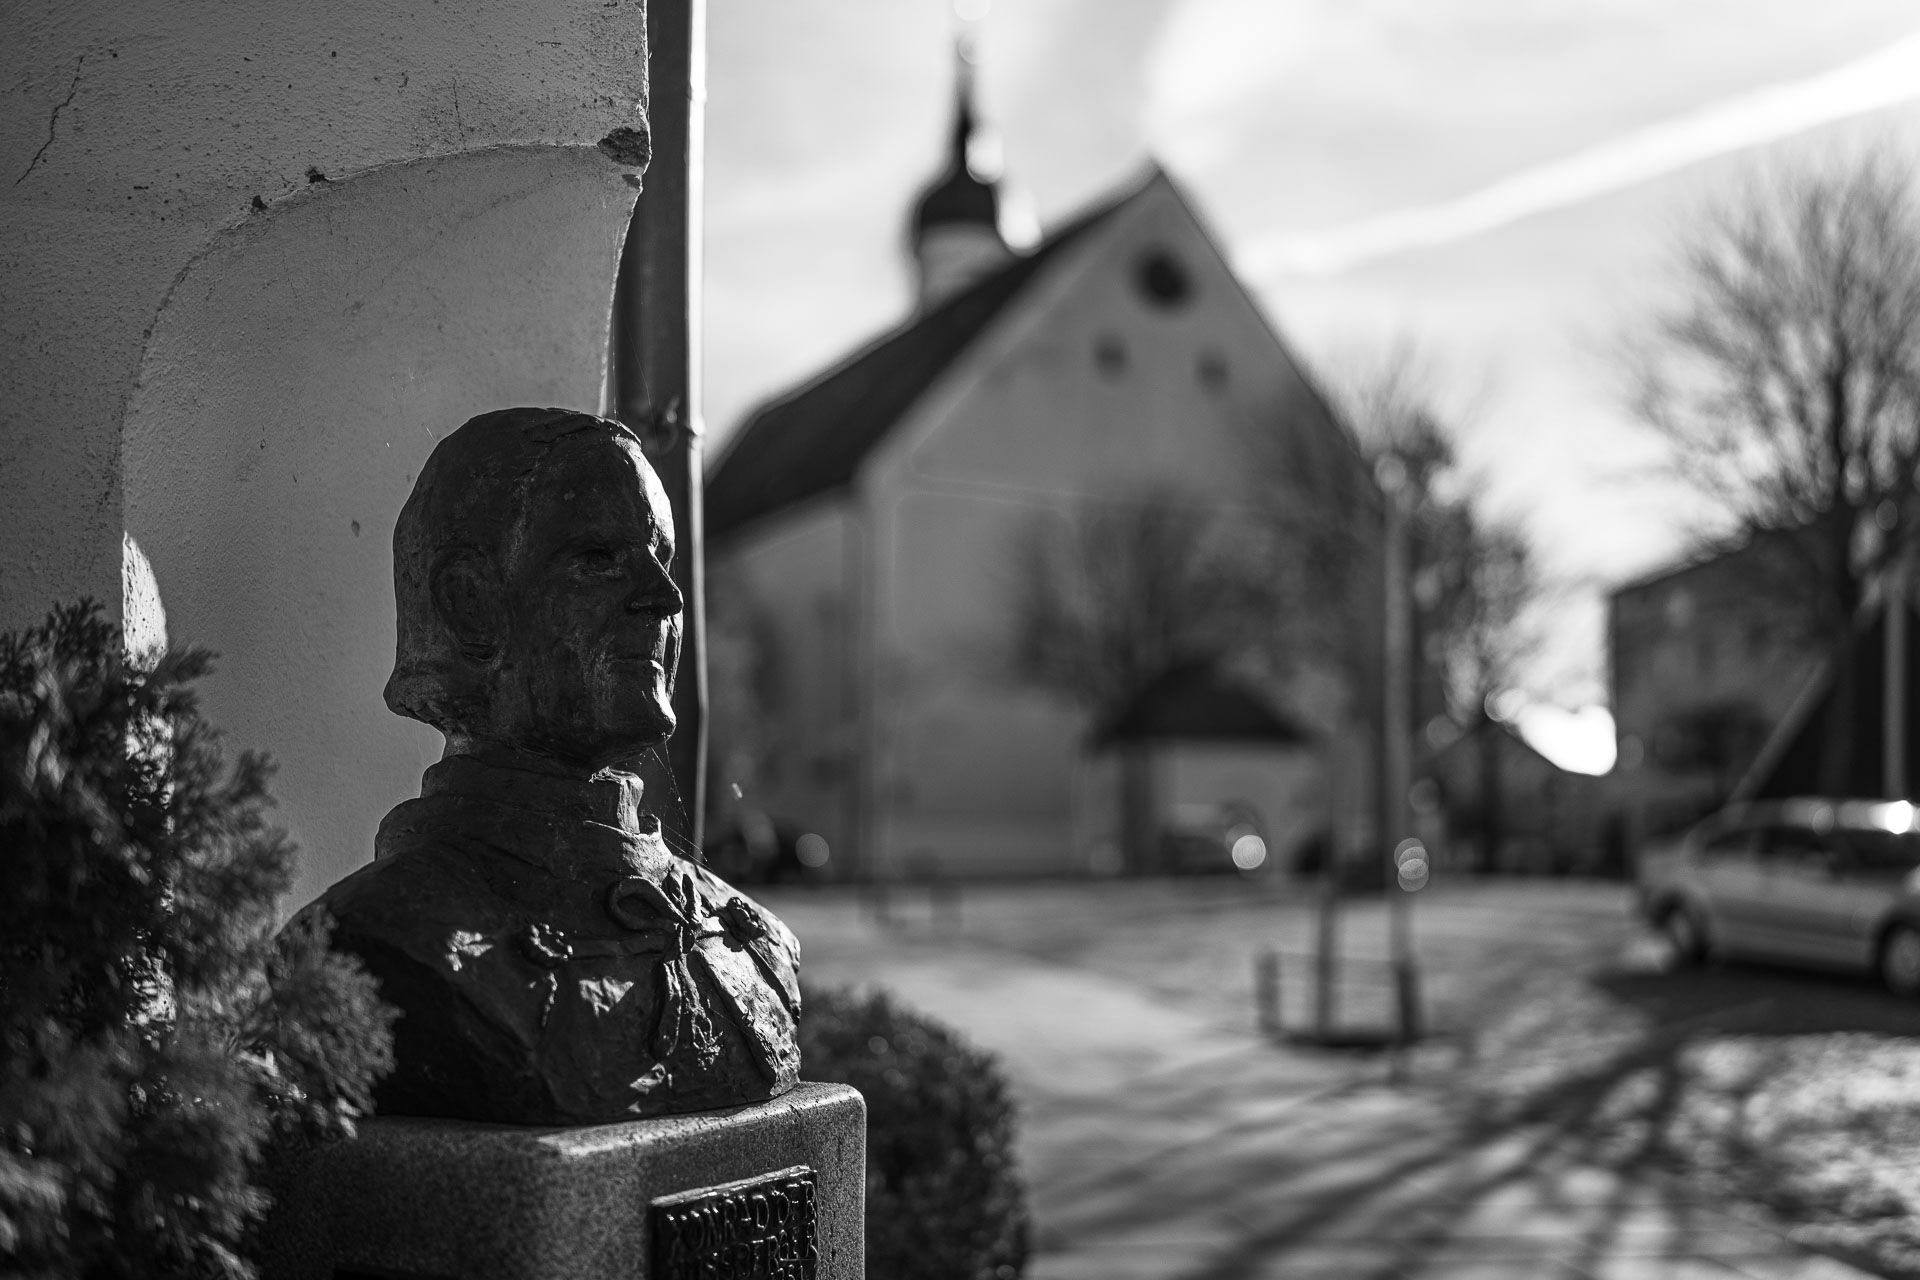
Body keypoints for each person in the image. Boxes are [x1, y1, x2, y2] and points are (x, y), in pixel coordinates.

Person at [300, 407, 800, 1125]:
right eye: (600, 558)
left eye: (661, 555)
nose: (665, 597)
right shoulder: (374, 947)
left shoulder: (758, 949)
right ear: (471, 605)